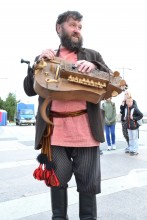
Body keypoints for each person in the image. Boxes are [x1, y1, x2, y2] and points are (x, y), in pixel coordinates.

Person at [23, 11, 110, 220]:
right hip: (55, 135)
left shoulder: (92, 55)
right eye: (72, 25)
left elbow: (109, 78)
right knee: (57, 184)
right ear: (59, 28)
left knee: (88, 187)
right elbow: (29, 89)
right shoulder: (47, 57)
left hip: (86, 134)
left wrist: (95, 67)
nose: (77, 31)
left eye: (79, 27)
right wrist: (37, 64)